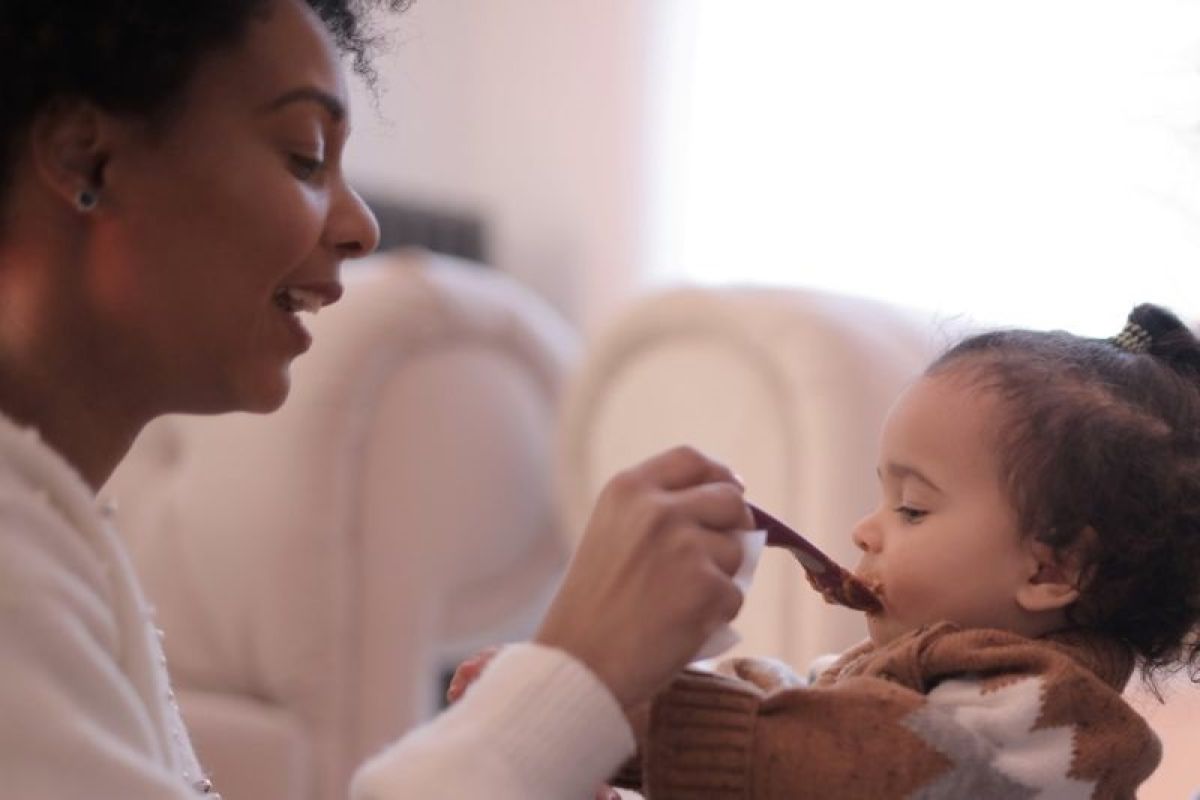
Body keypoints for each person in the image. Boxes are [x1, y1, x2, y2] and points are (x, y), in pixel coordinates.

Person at [0, 2, 752, 797]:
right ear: (87, 161)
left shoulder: (58, 540)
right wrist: (573, 675)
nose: (361, 227)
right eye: (304, 156)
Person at [586, 303, 1200, 799]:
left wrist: (644, 720)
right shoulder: (928, 673)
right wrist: (627, 691)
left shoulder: (1053, 725)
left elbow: (865, 758)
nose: (863, 531)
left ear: (1051, 567)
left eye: (911, 508)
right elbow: (801, 698)